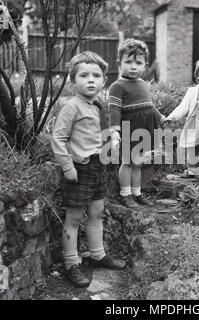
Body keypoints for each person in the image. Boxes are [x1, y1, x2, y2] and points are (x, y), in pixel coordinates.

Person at [51, 51, 126, 288]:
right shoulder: (71, 107)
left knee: (97, 212)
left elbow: (99, 133)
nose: (91, 80)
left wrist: (111, 139)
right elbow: (58, 138)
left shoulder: (98, 105)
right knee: (74, 217)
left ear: (104, 80)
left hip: (98, 167)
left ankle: (97, 254)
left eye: (96, 75)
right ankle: (71, 263)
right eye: (84, 75)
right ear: (73, 82)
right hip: (79, 169)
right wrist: (67, 166)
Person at [109, 38, 166, 208]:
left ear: (145, 65)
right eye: (128, 62)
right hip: (129, 128)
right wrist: (115, 131)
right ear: (120, 64)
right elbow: (114, 110)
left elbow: (148, 105)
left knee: (138, 163)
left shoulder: (143, 84)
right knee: (127, 162)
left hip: (145, 128)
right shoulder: (117, 86)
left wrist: (160, 116)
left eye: (138, 63)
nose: (133, 66)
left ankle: (137, 193)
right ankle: (125, 195)